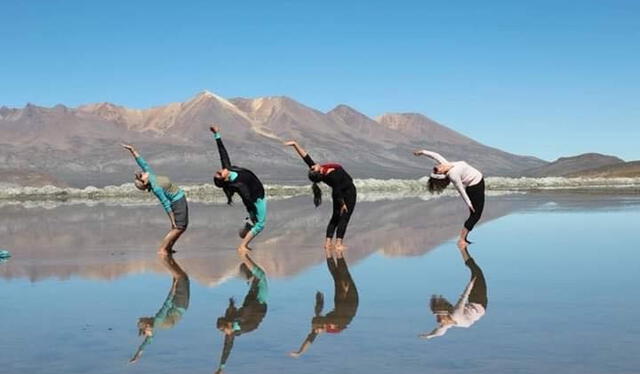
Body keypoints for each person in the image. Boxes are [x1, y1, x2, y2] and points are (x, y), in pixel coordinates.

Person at [284, 140, 357, 251]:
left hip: (339, 194)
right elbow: (337, 191)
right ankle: (338, 244)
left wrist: (295, 144)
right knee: (344, 218)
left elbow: (305, 157)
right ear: (319, 172)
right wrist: (342, 204)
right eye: (312, 168)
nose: (312, 166)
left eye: (311, 167)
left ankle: (327, 243)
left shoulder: (321, 171)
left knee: (335, 217)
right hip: (347, 193)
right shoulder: (331, 176)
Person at [289, 246, 359, 357]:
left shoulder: (319, 325)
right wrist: (345, 289)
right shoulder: (336, 323)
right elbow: (346, 305)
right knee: (342, 275)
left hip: (341, 302)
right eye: (321, 317)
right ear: (323, 324)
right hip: (350, 301)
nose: (321, 315)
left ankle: (330, 255)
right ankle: (337, 256)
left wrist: (300, 352)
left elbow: (310, 338)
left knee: (337, 276)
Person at [122, 144, 188, 254]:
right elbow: (166, 204)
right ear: (144, 182)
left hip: (180, 198)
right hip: (177, 201)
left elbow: (142, 162)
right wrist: (172, 220)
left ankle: (168, 248)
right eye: (141, 176)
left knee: (181, 228)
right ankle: (162, 249)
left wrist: (132, 150)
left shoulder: (151, 176)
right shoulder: (156, 188)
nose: (142, 173)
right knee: (178, 227)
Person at [210, 126, 267, 252]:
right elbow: (247, 198)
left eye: (217, 172)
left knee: (254, 221)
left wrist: (217, 134)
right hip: (257, 198)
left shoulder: (228, 168)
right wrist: (253, 211)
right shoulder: (237, 184)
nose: (219, 171)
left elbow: (222, 153)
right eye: (219, 174)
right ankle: (242, 246)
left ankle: (248, 226)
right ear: (223, 179)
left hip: (255, 198)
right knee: (260, 224)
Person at [413, 149, 484, 249]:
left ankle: (463, 239)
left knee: (475, 215)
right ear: (442, 174)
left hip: (478, 181)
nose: (437, 167)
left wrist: (422, 152)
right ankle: (462, 240)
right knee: (476, 215)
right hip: (475, 186)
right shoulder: (453, 174)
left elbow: (435, 155)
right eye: (437, 170)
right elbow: (461, 190)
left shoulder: (445, 164)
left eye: (435, 168)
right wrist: (469, 203)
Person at [214, 250, 268, 373]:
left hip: (250, 302)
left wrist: (221, 367)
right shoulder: (240, 328)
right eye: (225, 332)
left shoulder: (232, 326)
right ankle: (244, 256)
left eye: (224, 331)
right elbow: (227, 348)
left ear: (228, 325)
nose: (225, 334)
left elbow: (226, 347)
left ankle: (247, 268)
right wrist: (222, 367)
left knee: (254, 279)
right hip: (260, 304)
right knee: (261, 276)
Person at [130, 253, 190, 363]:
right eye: (143, 319)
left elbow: (148, 341)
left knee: (181, 276)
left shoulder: (154, 327)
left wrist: (138, 354)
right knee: (180, 277)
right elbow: (167, 303)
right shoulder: (157, 321)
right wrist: (173, 286)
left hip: (182, 306)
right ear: (146, 324)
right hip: (179, 302)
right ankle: (167, 257)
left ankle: (170, 258)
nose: (145, 316)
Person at [419, 245, 487, 340]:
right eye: (439, 316)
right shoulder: (455, 314)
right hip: (480, 303)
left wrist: (430, 335)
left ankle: (462, 248)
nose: (438, 320)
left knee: (475, 271)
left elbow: (439, 332)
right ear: (445, 316)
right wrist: (472, 282)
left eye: (438, 316)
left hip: (472, 304)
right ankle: (462, 248)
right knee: (477, 272)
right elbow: (463, 297)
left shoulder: (447, 322)